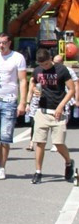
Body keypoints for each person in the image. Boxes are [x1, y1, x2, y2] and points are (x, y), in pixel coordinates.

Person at [27, 48, 75, 185]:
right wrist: (34, 90)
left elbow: (71, 89)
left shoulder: (61, 70)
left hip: (57, 111)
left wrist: (61, 106)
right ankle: (38, 172)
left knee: (58, 143)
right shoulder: (37, 70)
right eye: (42, 65)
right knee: (40, 143)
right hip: (42, 111)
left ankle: (68, 161)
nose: (45, 67)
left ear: (51, 59)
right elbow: (32, 82)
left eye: (47, 64)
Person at [0, 32, 27, 180]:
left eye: (4, 43)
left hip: (9, 100)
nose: (1, 46)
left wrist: (22, 102)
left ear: (9, 43)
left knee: (5, 137)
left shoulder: (18, 58)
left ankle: (2, 167)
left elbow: (22, 80)